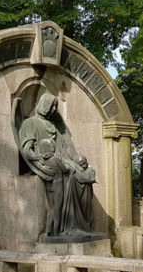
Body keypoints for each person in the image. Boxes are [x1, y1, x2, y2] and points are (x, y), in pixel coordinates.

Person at [16, 93, 96, 236]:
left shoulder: (54, 125)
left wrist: (78, 158)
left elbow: (67, 149)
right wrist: (40, 158)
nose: (54, 109)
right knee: (71, 177)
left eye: (55, 106)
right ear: (44, 105)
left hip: (62, 160)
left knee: (85, 179)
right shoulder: (30, 123)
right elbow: (27, 151)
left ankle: (83, 225)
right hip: (48, 161)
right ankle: (69, 227)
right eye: (52, 106)